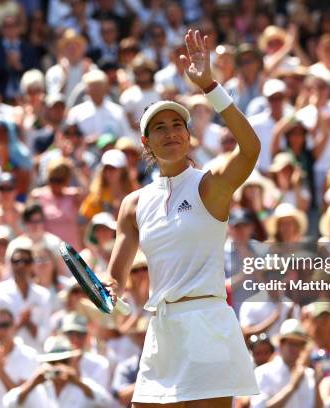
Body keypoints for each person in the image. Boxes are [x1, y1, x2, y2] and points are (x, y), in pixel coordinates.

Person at [105, 29, 260, 406]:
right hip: (162, 330)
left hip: (207, 324)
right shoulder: (133, 205)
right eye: (159, 127)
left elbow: (251, 148)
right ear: (146, 143)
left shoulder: (211, 185)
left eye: (178, 125)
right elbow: (115, 277)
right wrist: (111, 292)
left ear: (189, 136)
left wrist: (209, 85)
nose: (171, 132)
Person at [2, 335, 113, 407]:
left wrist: (78, 383)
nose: (58, 367)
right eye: (53, 363)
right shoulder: (37, 387)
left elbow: (108, 403)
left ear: (71, 361)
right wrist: (31, 384)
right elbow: (8, 403)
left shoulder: (83, 386)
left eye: (63, 361)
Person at [251, 319, 319, 408]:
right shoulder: (262, 372)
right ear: (281, 344)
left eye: (299, 344)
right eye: (291, 343)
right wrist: (292, 386)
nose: (295, 348)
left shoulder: (310, 374)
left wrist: (318, 383)